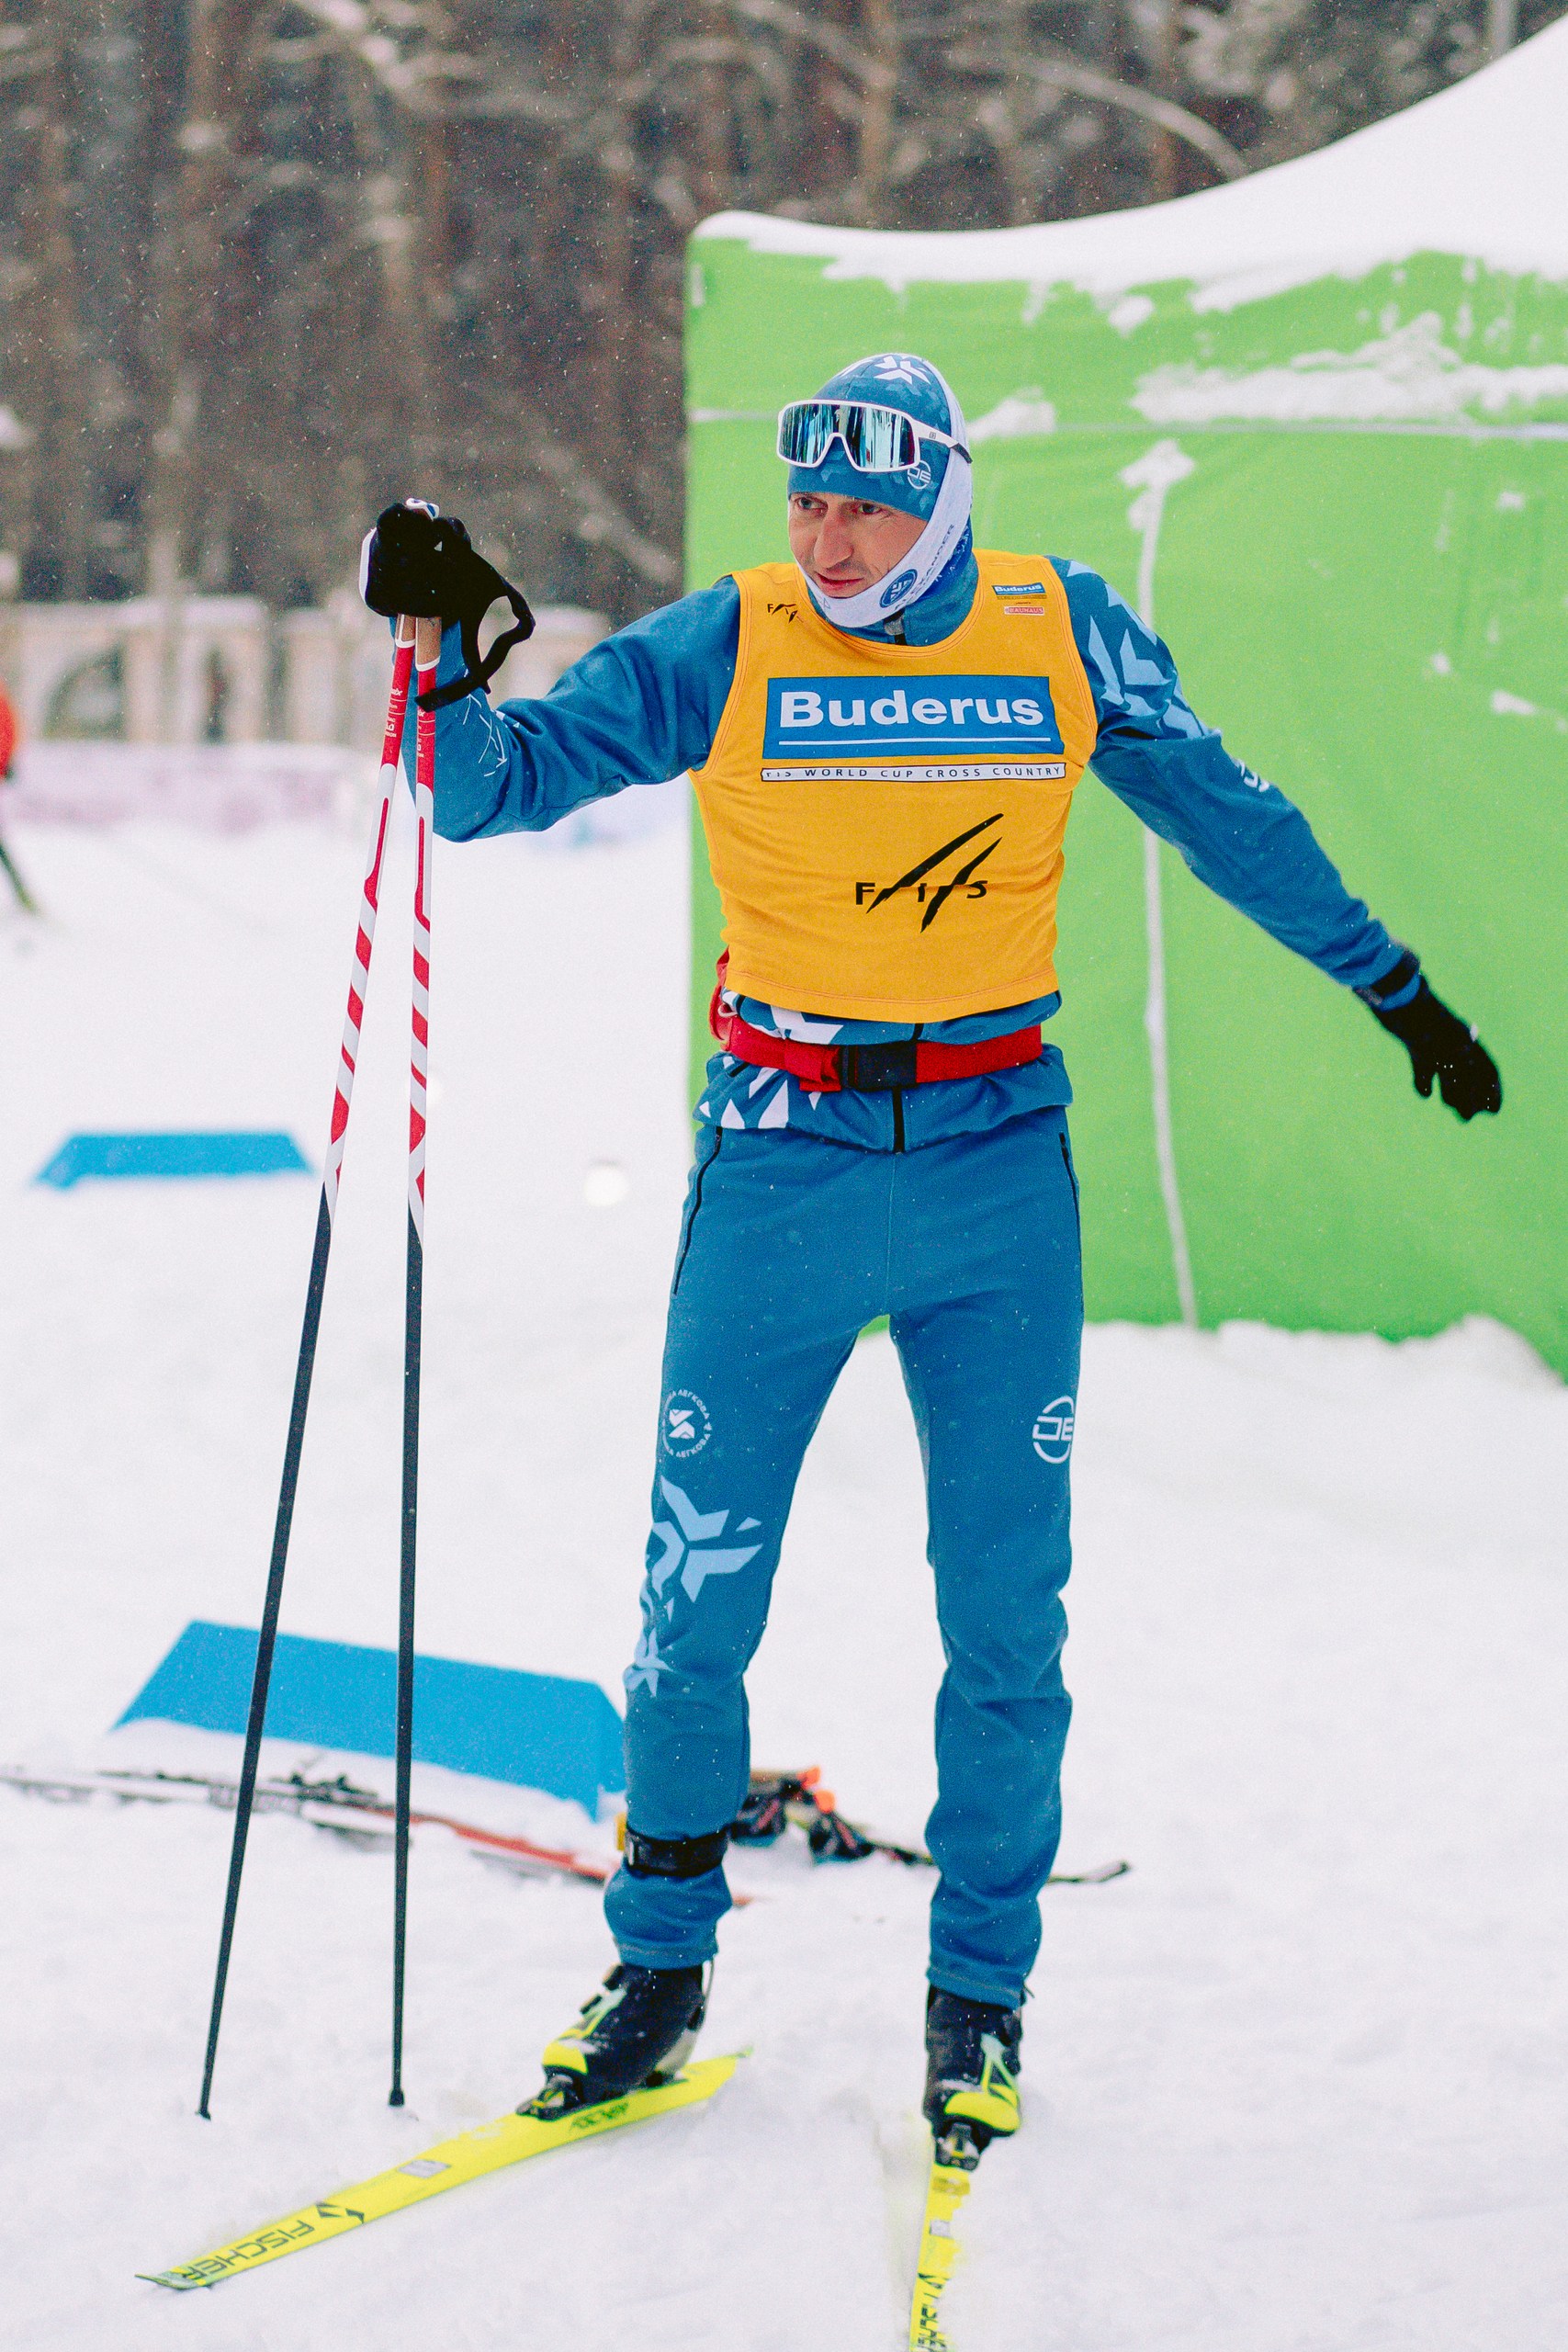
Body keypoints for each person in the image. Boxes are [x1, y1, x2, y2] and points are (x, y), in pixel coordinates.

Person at [360, 352, 1500, 2164]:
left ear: (943, 500)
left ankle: (977, 2000)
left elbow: (1227, 814)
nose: (823, 534)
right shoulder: (731, 638)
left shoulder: (1059, 632)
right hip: (782, 1160)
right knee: (689, 1600)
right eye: (805, 499)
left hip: (988, 1174)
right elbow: (486, 788)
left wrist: (1389, 985)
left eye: (862, 504)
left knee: (1002, 1612)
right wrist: (434, 651)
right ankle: (653, 1971)